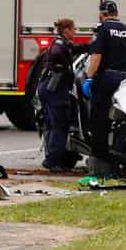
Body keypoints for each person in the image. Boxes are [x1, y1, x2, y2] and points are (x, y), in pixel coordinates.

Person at [84, 0, 126, 176]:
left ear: (102, 15)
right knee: (124, 117)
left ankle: (100, 153)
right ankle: (121, 148)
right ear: (117, 13)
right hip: (125, 79)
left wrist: (89, 78)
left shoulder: (103, 29)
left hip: (106, 78)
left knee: (99, 117)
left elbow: (96, 57)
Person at [37, 17, 89, 172]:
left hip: (51, 89)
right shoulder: (59, 47)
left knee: (54, 124)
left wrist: (94, 46)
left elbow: (78, 48)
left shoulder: (62, 44)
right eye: (73, 29)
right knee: (60, 125)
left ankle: (53, 159)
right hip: (55, 90)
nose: (75, 32)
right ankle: (52, 161)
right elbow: (61, 59)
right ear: (66, 30)